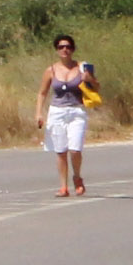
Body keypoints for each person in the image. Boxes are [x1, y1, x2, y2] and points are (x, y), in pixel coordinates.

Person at [40, 34, 94, 198]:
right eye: (61, 47)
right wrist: (38, 113)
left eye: (68, 47)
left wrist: (89, 79)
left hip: (76, 111)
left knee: (75, 149)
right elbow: (42, 93)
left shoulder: (82, 67)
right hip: (57, 112)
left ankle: (77, 177)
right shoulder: (51, 70)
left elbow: (96, 88)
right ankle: (63, 187)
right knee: (60, 151)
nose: (65, 50)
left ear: (73, 49)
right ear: (56, 50)